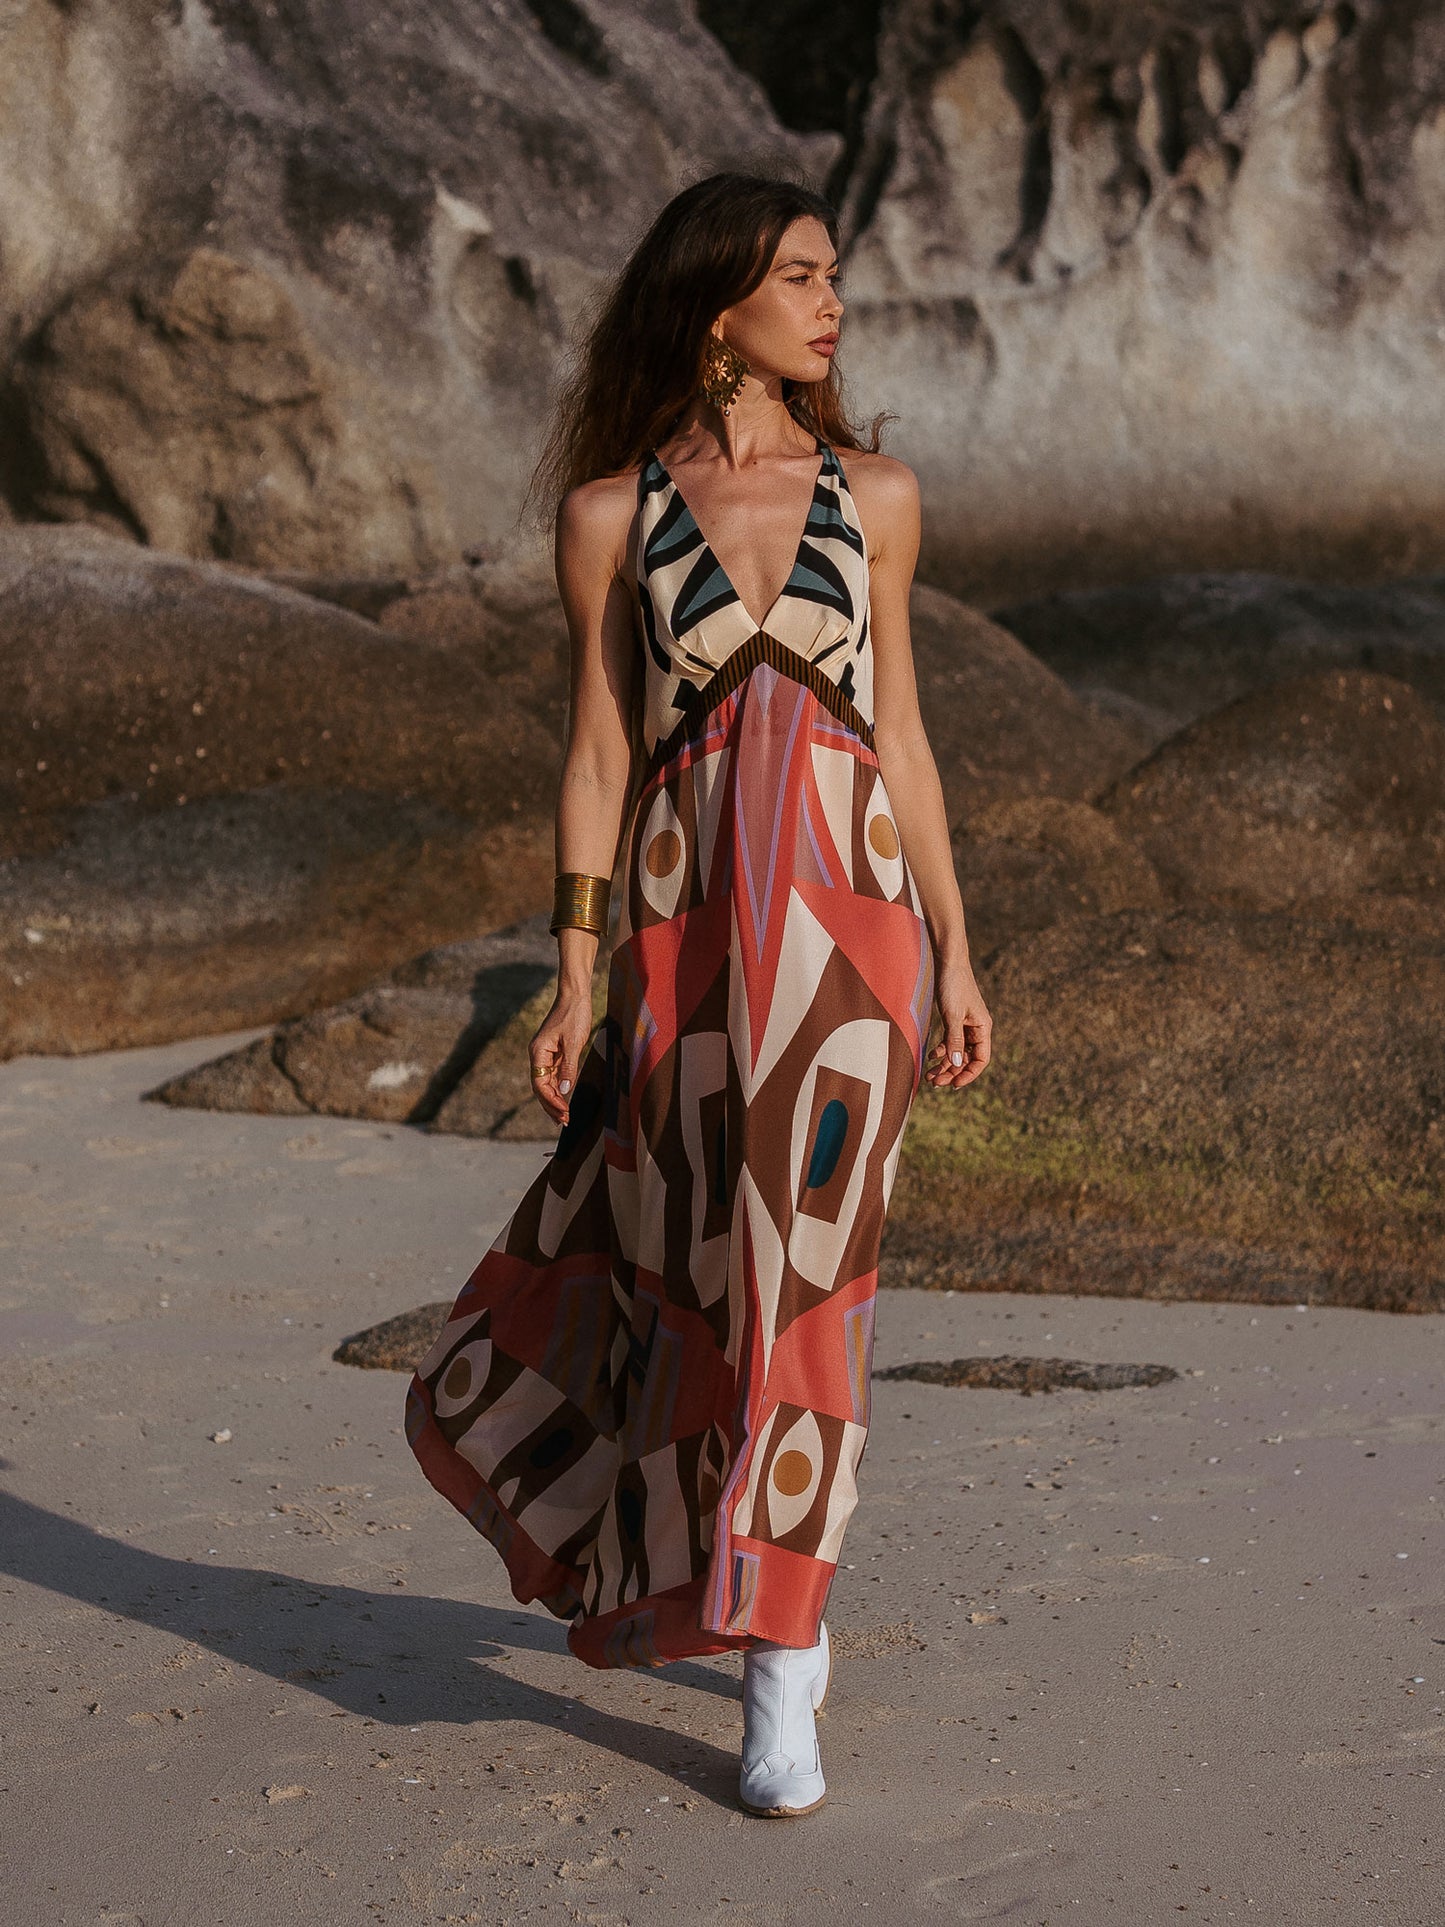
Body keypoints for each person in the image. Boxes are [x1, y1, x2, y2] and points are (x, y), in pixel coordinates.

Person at [406, 171, 992, 1818]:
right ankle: (688, 1567)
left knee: (807, 1292)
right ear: (719, 301)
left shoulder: (875, 496)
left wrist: (957, 945)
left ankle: (781, 1663)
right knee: (692, 1278)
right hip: (681, 945)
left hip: (852, 943)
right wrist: (575, 973)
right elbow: (598, 755)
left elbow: (907, 743)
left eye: (831, 279)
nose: (830, 306)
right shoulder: (610, 516)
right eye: (801, 278)